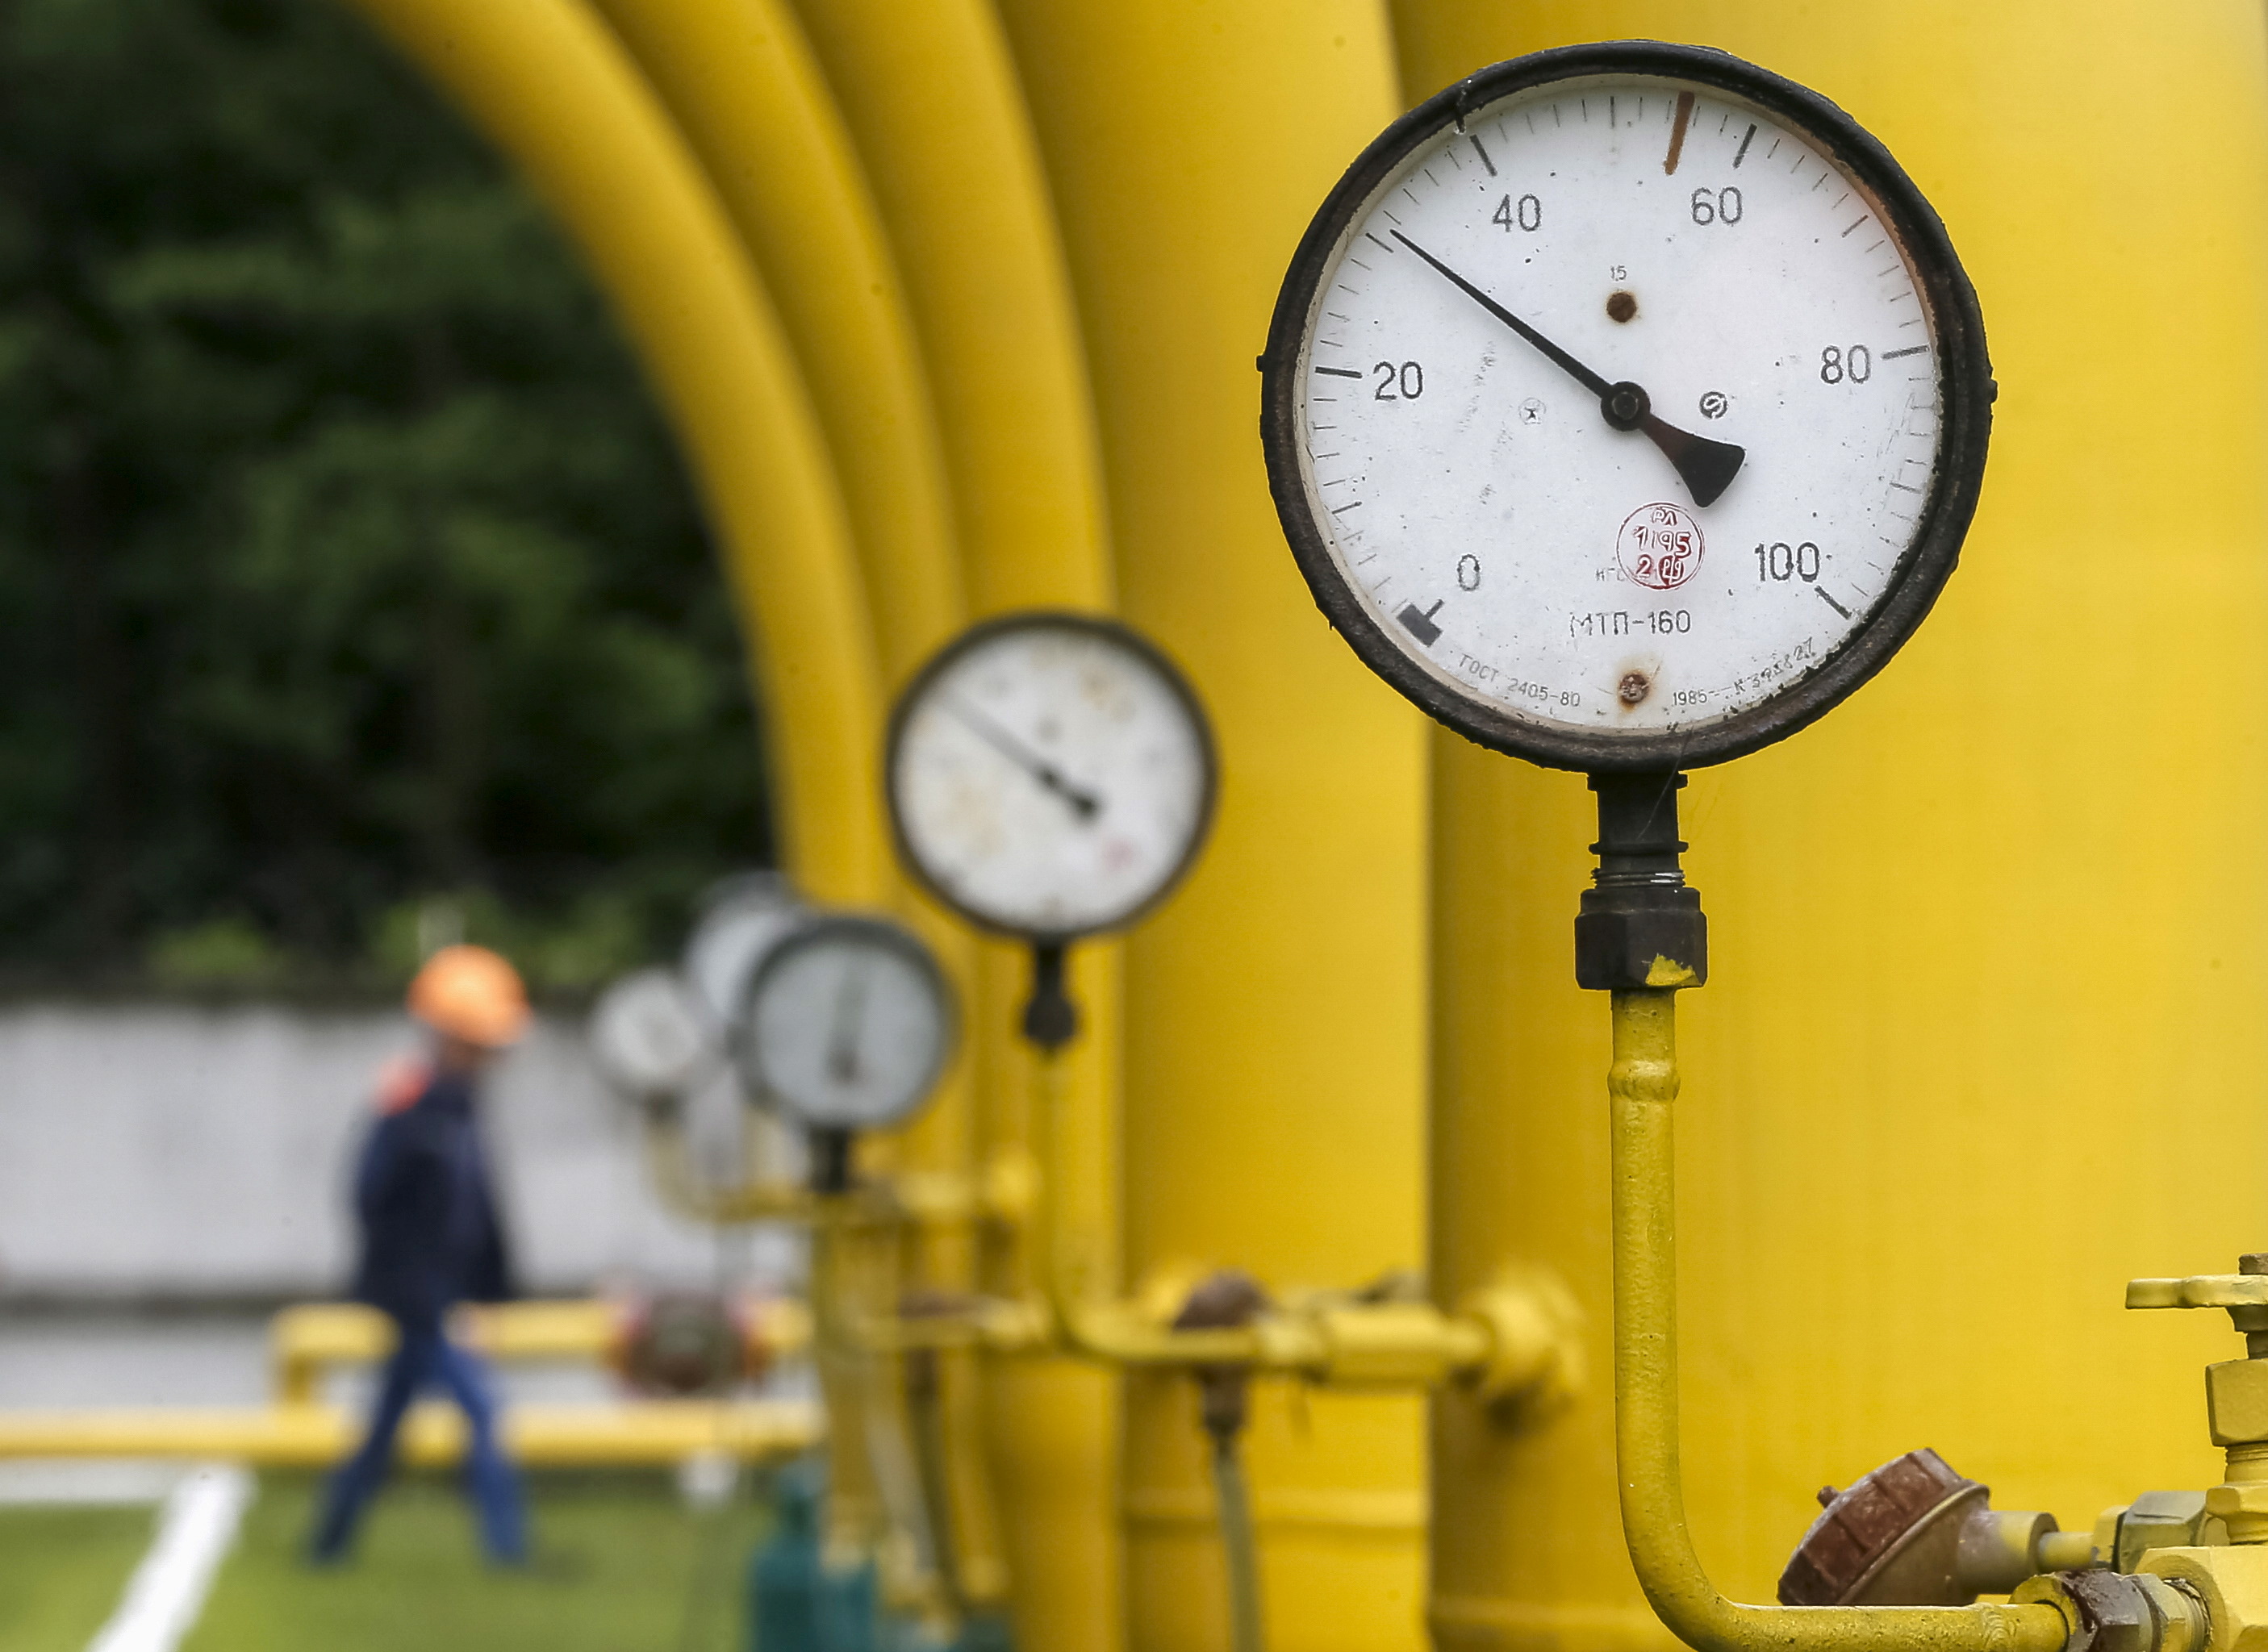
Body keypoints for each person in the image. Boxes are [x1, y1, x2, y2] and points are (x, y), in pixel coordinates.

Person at [310, 944, 532, 1566]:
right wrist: (426, 1302)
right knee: (483, 1414)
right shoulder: (411, 1105)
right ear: (450, 1036)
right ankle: (509, 1555)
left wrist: (485, 1293)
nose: (492, 1057)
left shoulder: (460, 1105)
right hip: (419, 1301)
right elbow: (371, 1201)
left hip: (441, 1299)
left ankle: (327, 1548)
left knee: (384, 1428)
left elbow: (477, 1210)